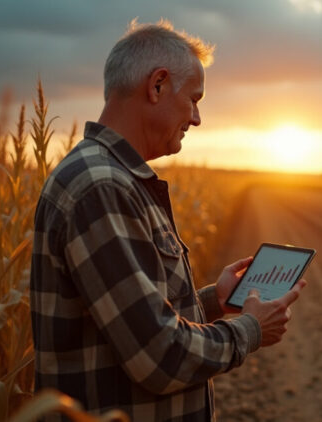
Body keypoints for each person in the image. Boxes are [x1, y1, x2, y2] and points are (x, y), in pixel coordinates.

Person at [30, 20, 306, 421]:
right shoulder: (100, 189)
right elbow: (157, 355)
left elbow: (129, 319)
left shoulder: (114, 179)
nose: (196, 119)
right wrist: (251, 329)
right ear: (157, 86)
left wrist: (211, 300)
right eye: (194, 100)